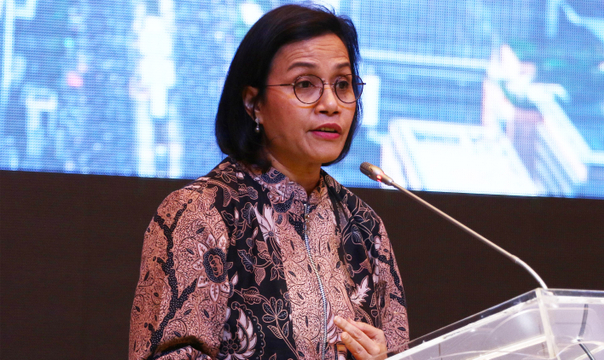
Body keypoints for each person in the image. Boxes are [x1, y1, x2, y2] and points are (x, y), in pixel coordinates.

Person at [129, 4, 409, 360]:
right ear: (252, 103)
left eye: (343, 85)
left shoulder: (365, 228)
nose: (330, 104)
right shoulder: (201, 214)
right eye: (305, 84)